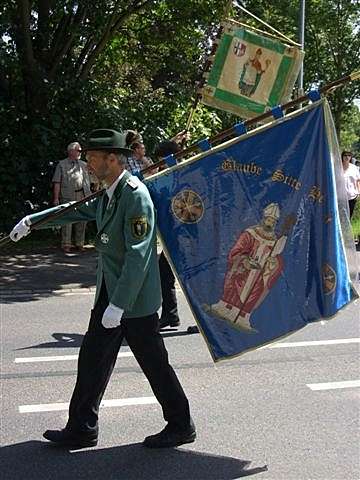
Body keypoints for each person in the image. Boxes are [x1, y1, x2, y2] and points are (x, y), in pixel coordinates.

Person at [10, 128, 196, 449]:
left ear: (113, 159)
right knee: (92, 360)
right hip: (110, 294)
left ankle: (181, 424)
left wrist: (119, 305)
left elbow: (139, 255)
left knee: (154, 364)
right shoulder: (109, 192)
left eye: (94, 159)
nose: (89, 165)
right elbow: (72, 211)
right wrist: (32, 221)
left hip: (132, 301)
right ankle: (82, 427)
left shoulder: (134, 194)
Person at [205, 203, 286, 332]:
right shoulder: (250, 234)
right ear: (264, 219)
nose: (270, 223)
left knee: (255, 291)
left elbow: (278, 261)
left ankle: (243, 316)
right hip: (243, 269)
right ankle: (223, 307)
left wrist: (273, 262)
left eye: (273, 221)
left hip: (258, 275)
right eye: (268, 220)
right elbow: (237, 250)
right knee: (234, 284)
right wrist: (244, 260)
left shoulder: (275, 242)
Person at [154, 134, 199, 334]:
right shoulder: (172, 174)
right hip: (174, 235)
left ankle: (204, 320)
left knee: (195, 278)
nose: (158, 165)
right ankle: (170, 315)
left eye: (160, 160)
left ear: (168, 158)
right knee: (164, 273)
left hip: (188, 235)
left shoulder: (185, 173)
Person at [52, 142, 91, 253]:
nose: (80, 153)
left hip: (83, 195)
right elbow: (57, 182)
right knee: (67, 221)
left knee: (82, 219)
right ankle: (66, 244)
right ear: (71, 151)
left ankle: (80, 243)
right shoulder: (62, 164)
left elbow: (92, 178)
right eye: (78, 150)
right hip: (67, 195)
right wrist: (56, 198)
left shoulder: (84, 164)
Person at [341, 150, 360, 219]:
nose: (347, 157)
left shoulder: (354, 168)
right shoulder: (337, 167)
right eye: (345, 155)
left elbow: (358, 180)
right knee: (341, 215)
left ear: (351, 157)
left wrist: (358, 192)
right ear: (342, 156)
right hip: (340, 197)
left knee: (349, 215)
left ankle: (347, 229)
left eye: (349, 155)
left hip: (352, 196)